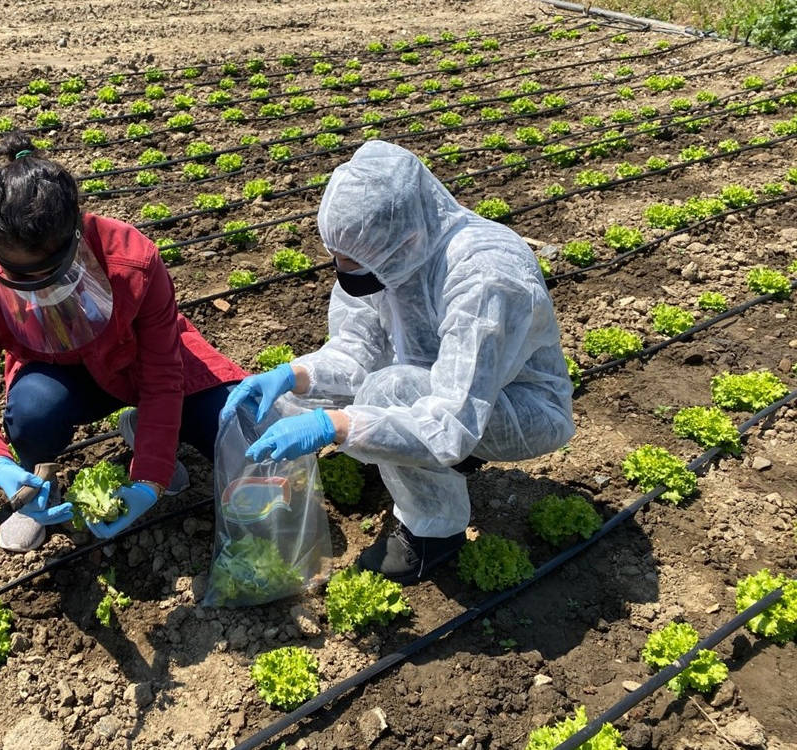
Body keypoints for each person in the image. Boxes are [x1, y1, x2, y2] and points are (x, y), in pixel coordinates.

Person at [221, 140, 575, 584]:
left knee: (388, 391)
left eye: (351, 258)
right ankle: (399, 458)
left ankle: (432, 535)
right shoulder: (383, 256)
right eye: (338, 255)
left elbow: (451, 419)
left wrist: (338, 426)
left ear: (401, 237)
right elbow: (354, 350)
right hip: (430, 379)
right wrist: (293, 375)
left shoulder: (487, 276)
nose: (343, 267)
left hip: (517, 406)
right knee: (297, 403)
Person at [0, 133, 246, 552]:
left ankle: (147, 432)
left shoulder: (133, 259)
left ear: (76, 235)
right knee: (33, 411)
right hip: (61, 380)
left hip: (136, 364)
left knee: (236, 435)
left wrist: (149, 478)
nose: (39, 290)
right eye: (22, 280)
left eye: (49, 274)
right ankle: (35, 489)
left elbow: (163, 374)